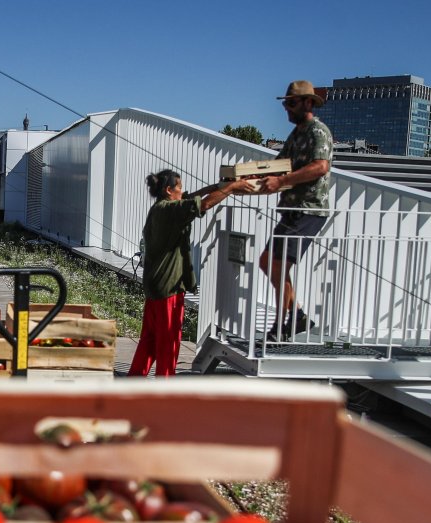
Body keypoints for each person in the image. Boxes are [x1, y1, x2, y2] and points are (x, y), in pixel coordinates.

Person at [129, 170, 253, 377]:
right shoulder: (170, 211)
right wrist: (232, 188)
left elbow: (191, 197)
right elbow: (202, 205)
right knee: (169, 343)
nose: (183, 191)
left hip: (154, 287)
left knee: (149, 342)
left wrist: (218, 186)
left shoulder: (160, 208)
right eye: (179, 187)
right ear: (169, 190)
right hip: (169, 288)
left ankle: (131, 385)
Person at [259, 80, 334, 341]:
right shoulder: (297, 134)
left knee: (277, 264)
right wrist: (244, 178)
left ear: (308, 103)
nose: (287, 109)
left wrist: (281, 182)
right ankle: (297, 315)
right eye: (285, 104)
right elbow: (279, 164)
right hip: (292, 209)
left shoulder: (317, 131)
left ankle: (283, 324)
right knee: (268, 262)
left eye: (291, 103)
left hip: (309, 209)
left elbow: (320, 167)